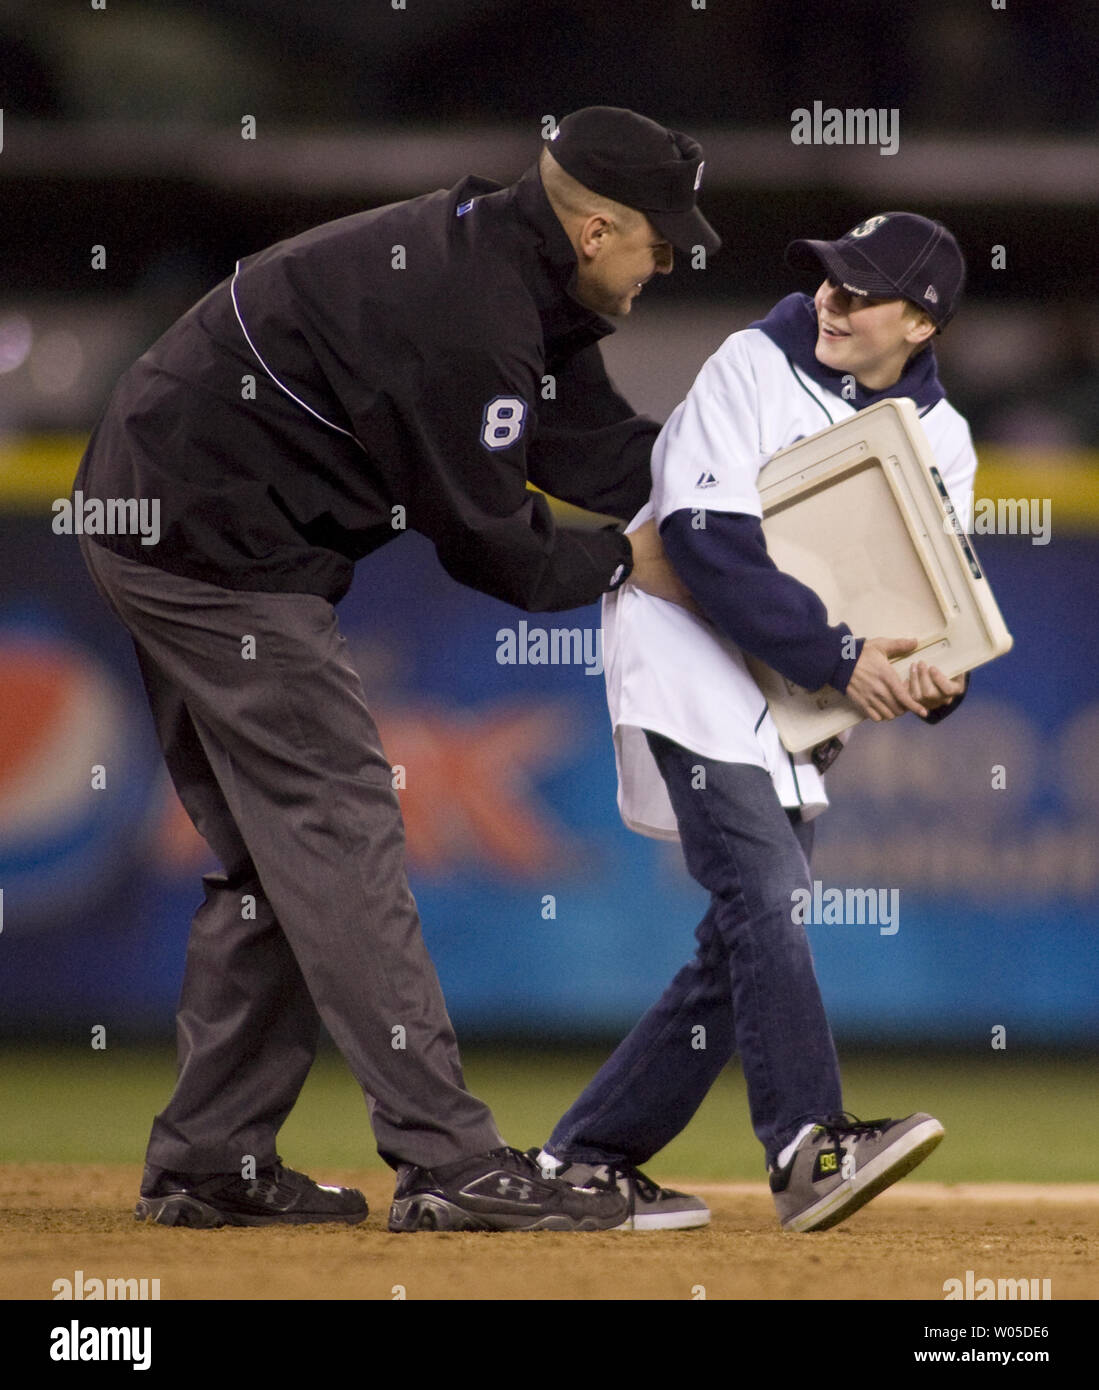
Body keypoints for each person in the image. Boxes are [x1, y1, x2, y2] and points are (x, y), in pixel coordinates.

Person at [71, 106, 719, 1233]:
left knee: (282, 856)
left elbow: (599, 451)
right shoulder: (471, 310)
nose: (670, 258)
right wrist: (631, 557)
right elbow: (488, 540)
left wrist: (742, 512)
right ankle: (447, 1157)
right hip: (209, 540)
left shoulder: (514, 270)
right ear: (600, 226)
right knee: (341, 817)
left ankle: (209, 1161)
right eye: (661, 240)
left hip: (172, 513)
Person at [536, 212, 976, 1233]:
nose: (830, 297)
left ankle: (582, 1159)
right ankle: (807, 1142)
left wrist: (933, 678)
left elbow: (928, 600)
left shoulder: (941, 438)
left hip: (788, 697)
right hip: (686, 659)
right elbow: (701, 542)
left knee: (738, 943)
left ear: (920, 320)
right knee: (769, 895)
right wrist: (835, 656)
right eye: (827, 276)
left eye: (860, 289)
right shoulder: (751, 362)